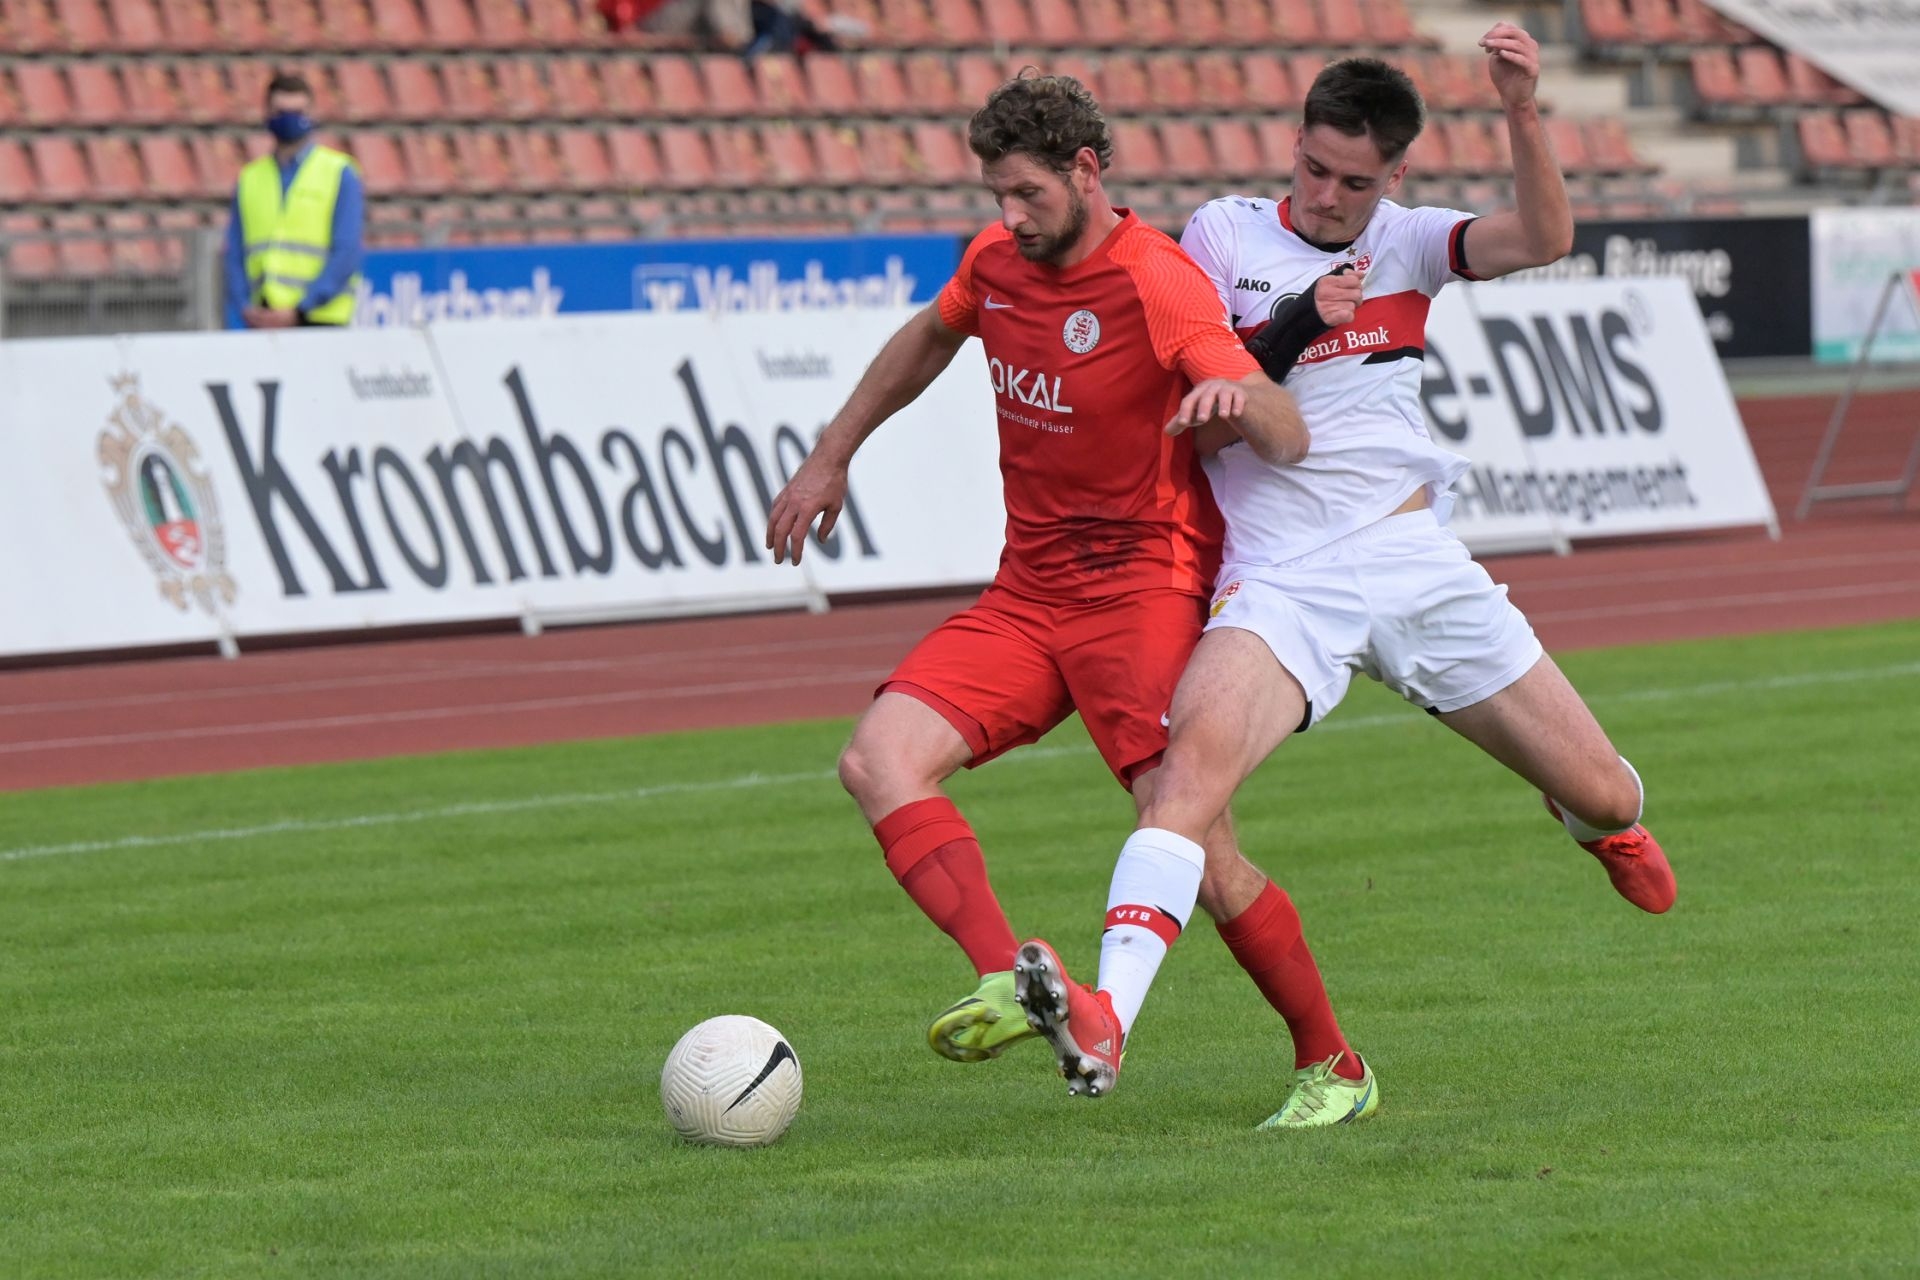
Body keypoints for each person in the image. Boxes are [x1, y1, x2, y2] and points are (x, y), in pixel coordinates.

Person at [1016, 27, 1678, 1129]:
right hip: (1279, 579)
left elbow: (1545, 237)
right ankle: (1106, 1018)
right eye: (1314, 169)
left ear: (1395, 178)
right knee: (1185, 787)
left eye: (1354, 183)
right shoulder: (1222, 234)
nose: (1327, 197)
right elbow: (1205, 393)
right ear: (1295, 145)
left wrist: (1520, 108)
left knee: (1606, 789)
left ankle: (1598, 821)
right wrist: (1293, 323)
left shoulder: (1411, 243)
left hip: (1412, 560)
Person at [764, 74, 1341, 1097]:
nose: (1010, 216)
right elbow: (930, 336)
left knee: (1201, 853)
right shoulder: (995, 261)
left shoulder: (1158, 280)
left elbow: (1283, 430)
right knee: (878, 760)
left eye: (1027, 192)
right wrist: (831, 455)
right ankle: (1015, 979)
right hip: (1027, 595)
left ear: (1085, 171)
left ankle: (1330, 1057)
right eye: (996, 194)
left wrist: (1239, 400)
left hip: (1144, 592)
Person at [222, 71, 364, 330]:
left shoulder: (339, 173)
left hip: (320, 321)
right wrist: (245, 306)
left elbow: (346, 252)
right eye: (281, 111)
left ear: (311, 113)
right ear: (267, 113)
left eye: (297, 112)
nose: (289, 119)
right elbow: (235, 252)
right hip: (263, 320)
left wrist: (301, 309)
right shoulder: (250, 178)